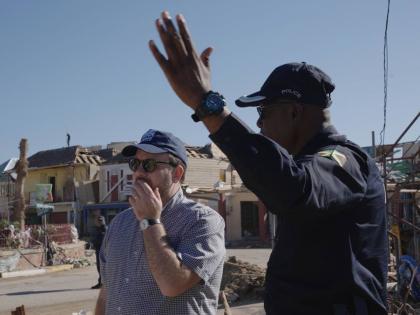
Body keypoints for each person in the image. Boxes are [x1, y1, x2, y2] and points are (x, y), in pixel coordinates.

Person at [149, 11, 388, 315]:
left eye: (263, 112)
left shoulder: (345, 160)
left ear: (293, 112)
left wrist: (206, 104)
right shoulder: (305, 164)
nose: (260, 124)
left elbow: (293, 189)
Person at [94, 129, 225, 315]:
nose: (138, 172)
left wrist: (150, 221)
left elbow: (173, 284)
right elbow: (106, 294)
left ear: (177, 173)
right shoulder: (119, 224)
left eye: (149, 164)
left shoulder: (203, 221)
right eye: (135, 163)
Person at [91, 214, 107, 289]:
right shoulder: (99, 229)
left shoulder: (104, 230)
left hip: (103, 251)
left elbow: (103, 241)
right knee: (99, 267)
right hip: (99, 250)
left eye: (98, 221)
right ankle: (101, 282)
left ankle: (103, 283)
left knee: (101, 267)